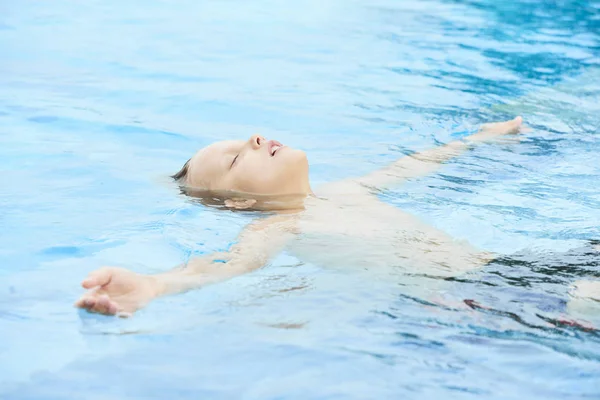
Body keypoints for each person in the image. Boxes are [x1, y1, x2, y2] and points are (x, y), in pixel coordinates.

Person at [74, 116, 595, 318]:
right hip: (477, 294)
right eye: (237, 157)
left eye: (243, 140)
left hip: (507, 265)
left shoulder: (343, 192)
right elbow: (221, 266)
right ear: (237, 203)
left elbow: (412, 165)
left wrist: (476, 139)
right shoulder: (279, 226)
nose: (255, 137)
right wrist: (152, 285)